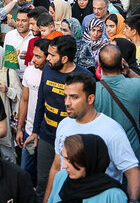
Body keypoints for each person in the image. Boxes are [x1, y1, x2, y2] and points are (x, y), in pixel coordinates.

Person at [47, 72, 140, 202]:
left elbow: (132, 172)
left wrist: (133, 201)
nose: (67, 103)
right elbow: (57, 166)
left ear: (90, 99)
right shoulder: (64, 125)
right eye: (65, 96)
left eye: (74, 97)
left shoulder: (112, 130)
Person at [23, 36, 90, 202]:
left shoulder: (84, 76)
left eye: (52, 55)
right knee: (43, 182)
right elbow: (40, 101)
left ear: (65, 58)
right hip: (46, 136)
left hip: (72, 140)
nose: (48, 58)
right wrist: (35, 131)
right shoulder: (48, 69)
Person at [95, 45, 140, 165]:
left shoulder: (92, 91)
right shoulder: (136, 85)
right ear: (122, 63)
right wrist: (130, 71)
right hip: (130, 156)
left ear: (99, 65)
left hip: (104, 158)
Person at [47, 134, 128, 203]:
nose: (64, 166)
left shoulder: (114, 195)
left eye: (69, 160)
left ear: (89, 160)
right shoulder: (61, 177)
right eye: (64, 158)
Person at [16, 38, 49, 184]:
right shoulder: (29, 71)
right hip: (29, 132)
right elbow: (24, 100)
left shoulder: (54, 76)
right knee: (25, 170)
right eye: (33, 55)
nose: (33, 59)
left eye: (38, 56)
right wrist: (19, 128)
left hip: (46, 137)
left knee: (43, 175)